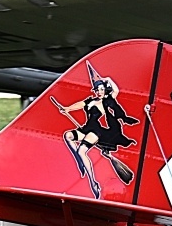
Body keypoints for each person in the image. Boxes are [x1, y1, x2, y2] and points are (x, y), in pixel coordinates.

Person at [54, 67, 139, 199]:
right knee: (68, 136)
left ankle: (93, 183)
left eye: (101, 89)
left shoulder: (106, 101)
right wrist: (67, 109)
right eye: (97, 89)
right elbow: (80, 104)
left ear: (104, 90)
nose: (99, 92)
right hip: (86, 129)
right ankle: (80, 162)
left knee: (82, 151)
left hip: (96, 131)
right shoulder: (90, 101)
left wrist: (107, 79)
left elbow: (116, 90)